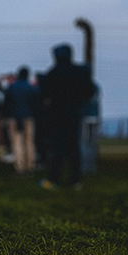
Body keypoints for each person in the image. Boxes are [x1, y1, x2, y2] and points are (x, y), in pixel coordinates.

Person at [38, 44, 96, 189]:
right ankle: (75, 180)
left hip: (57, 114)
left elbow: (44, 93)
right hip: (75, 113)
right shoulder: (80, 72)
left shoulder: (53, 73)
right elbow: (90, 91)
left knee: (57, 148)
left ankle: (54, 179)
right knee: (73, 147)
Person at [2, 67, 38, 174]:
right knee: (29, 142)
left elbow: (6, 103)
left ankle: (20, 167)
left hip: (14, 118)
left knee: (17, 143)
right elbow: (35, 104)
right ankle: (30, 165)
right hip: (28, 117)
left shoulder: (11, 87)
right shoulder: (31, 88)